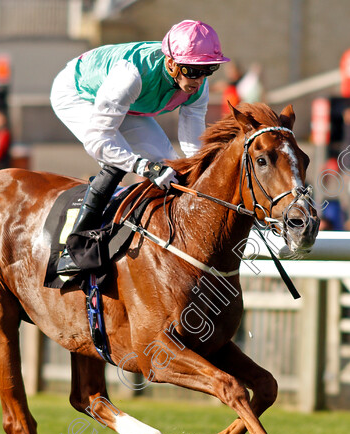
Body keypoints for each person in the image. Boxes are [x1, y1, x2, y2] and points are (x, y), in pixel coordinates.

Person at [49, 19, 229, 274]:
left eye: (208, 69)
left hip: (126, 104)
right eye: (192, 71)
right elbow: (98, 141)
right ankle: (74, 249)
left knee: (171, 165)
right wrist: (143, 167)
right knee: (116, 161)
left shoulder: (198, 85)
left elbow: (193, 147)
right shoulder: (130, 76)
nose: (199, 79)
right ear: (171, 63)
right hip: (77, 93)